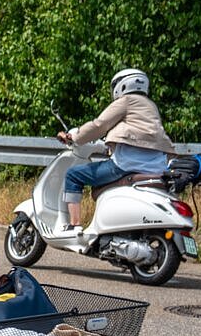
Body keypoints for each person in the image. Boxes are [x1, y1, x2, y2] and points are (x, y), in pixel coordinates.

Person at [54, 68, 173, 232]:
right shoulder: (151, 106)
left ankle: (74, 226)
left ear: (121, 85)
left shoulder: (126, 101)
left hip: (127, 164)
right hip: (157, 166)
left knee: (74, 175)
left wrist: (75, 137)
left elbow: (99, 125)